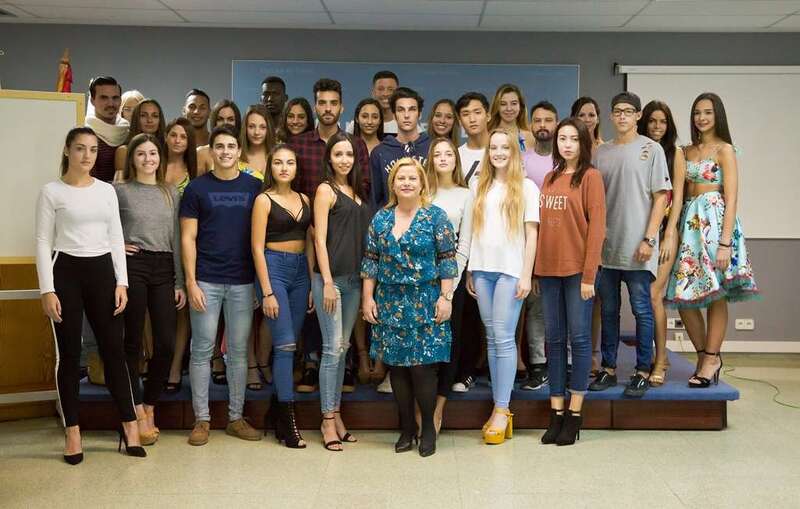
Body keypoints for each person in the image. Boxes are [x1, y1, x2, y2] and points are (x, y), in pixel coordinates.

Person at [36, 127, 144, 464]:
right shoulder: (51, 192)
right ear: (67, 150)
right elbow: (42, 242)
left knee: (114, 352)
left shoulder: (106, 191)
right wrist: (47, 289)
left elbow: (115, 236)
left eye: (93, 150)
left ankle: (129, 427)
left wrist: (121, 282)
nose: (87, 156)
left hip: (103, 274)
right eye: (80, 149)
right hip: (65, 272)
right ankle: (73, 431)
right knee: (70, 355)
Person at [361, 157, 458, 457]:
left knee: (422, 370)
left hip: (426, 301)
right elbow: (371, 261)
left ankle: (427, 428)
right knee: (398, 371)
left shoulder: (435, 217)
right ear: (393, 184)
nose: (406, 182)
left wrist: (446, 297)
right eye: (400, 178)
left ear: (421, 183)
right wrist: (368, 298)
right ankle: (406, 429)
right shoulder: (381, 218)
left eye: (412, 178)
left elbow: (447, 260)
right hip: (390, 302)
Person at [666, 92, 760, 387]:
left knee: (716, 294)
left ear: (717, 115)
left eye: (707, 112)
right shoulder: (684, 151)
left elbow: (731, 198)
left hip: (716, 223)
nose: (701, 118)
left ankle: (711, 359)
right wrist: (671, 231)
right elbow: (678, 197)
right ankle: (705, 355)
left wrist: (725, 243)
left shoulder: (725, 150)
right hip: (689, 225)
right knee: (685, 298)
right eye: (697, 112)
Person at [180, 125, 263, 446]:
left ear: (239, 151)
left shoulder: (254, 186)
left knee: (239, 353)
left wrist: (258, 283)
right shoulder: (196, 189)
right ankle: (201, 419)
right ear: (211, 151)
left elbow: (261, 237)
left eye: (231, 146)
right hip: (206, 280)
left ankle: (235, 417)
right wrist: (190, 282)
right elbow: (188, 237)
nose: (226, 151)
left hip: (243, 282)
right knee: (201, 350)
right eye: (220, 146)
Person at [287, 78, 371, 392]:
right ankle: (311, 366)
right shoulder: (300, 144)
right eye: (322, 103)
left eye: (333, 103)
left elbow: (361, 192)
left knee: (340, 339)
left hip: (347, 240)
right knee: (315, 304)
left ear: (341, 106)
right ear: (315, 106)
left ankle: (339, 376)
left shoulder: (353, 144)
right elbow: (292, 192)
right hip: (311, 237)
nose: (327, 108)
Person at [589, 92, 671, 398]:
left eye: (628, 111)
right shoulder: (601, 153)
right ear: (611, 116)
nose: (622, 116)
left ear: (638, 116)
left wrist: (650, 239)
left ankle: (641, 370)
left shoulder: (652, 150)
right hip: (607, 248)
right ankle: (609, 369)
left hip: (639, 247)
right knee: (609, 310)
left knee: (641, 310)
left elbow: (661, 196)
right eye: (617, 111)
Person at [463, 128, 539, 445]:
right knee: (492, 337)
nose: (498, 152)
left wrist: (525, 274)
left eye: (504, 147)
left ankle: (501, 409)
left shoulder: (527, 187)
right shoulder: (477, 186)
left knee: (504, 338)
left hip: (510, 272)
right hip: (482, 271)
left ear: (514, 151)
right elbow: (467, 232)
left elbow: (532, 235)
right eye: (493, 147)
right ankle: (500, 408)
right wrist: (468, 269)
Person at [535, 118, 606, 446]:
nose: (566, 144)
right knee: (554, 341)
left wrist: (589, 275)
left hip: (578, 273)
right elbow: (542, 229)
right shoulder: (549, 178)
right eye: (562, 138)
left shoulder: (590, 177)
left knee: (578, 341)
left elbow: (597, 230)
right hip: (548, 272)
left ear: (583, 144)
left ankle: (575, 415)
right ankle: (556, 413)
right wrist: (536, 270)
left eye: (573, 139)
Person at [115, 133, 186, 445]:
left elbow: (176, 239)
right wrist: (117, 245)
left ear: (160, 158)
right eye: (141, 154)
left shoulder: (170, 191)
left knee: (166, 344)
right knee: (132, 343)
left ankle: (150, 404)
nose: (147, 159)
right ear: (132, 158)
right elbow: (102, 227)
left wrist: (181, 281)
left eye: (153, 154)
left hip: (165, 267)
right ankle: (136, 412)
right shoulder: (119, 191)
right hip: (134, 266)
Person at [251, 144, 314, 448]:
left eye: (290, 162)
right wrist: (266, 291)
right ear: (271, 167)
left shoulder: (305, 199)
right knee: (285, 344)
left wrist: (314, 281)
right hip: (273, 267)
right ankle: (289, 423)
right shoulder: (263, 200)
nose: (284, 167)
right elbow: (256, 247)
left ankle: (274, 415)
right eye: (278, 162)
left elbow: (310, 241)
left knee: (292, 343)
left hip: (301, 271)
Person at [312, 132, 371, 451]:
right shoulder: (325, 190)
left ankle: (336, 416)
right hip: (330, 281)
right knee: (332, 348)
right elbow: (319, 239)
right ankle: (326, 419)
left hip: (353, 280)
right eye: (338, 154)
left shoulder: (357, 191)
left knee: (343, 347)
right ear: (329, 158)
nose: (344, 160)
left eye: (349, 154)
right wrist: (328, 282)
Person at [637, 100, 686, 386]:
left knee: (655, 295)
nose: (657, 126)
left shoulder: (674, 153)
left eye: (662, 122)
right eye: (653, 121)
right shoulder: (640, 149)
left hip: (666, 231)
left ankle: (660, 361)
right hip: (641, 230)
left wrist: (668, 235)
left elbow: (676, 197)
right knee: (643, 296)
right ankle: (659, 357)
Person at [424, 137, 471, 434]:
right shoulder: (422, 192)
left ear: (456, 159)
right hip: (420, 280)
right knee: (423, 347)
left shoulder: (467, 194)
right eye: (437, 154)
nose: (443, 158)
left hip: (451, 279)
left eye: (448, 154)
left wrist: (449, 287)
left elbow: (464, 244)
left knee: (449, 344)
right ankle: (422, 407)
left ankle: (438, 409)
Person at [519, 100, 558, 391]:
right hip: (528, 243)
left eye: (549, 120)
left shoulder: (565, 159)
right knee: (532, 306)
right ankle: (536, 364)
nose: (543, 125)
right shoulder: (523, 160)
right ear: (531, 126)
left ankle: (557, 364)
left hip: (559, 245)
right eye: (538, 120)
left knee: (554, 308)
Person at [163, 118, 196, 393]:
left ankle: (175, 367)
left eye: (183, 136)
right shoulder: (154, 164)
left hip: (183, 243)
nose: (177, 140)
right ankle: (153, 362)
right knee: (156, 311)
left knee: (183, 310)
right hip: (154, 244)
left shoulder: (193, 171)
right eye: (172, 135)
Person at [370, 87, 430, 209]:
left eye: (412, 109)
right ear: (394, 115)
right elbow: (374, 200)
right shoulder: (380, 152)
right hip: (391, 224)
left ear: (420, 114)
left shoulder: (433, 148)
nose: (406, 115)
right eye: (401, 110)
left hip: (428, 222)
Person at [85, 76, 127, 183]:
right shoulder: (85, 134)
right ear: (92, 100)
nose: (110, 104)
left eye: (115, 98)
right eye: (104, 98)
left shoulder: (128, 132)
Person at [114, 98, 166, 180]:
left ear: (160, 120)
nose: (149, 120)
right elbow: (121, 188)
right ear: (136, 119)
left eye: (155, 116)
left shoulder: (167, 149)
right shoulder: (124, 151)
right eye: (143, 115)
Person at [197, 100, 242, 175]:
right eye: (220, 119)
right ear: (214, 122)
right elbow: (195, 185)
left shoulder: (246, 152)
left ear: (237, 122)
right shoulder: (201, 153)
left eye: (230, 119)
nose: (225, 123)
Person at [456, 92, 490, 185]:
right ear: (459, 121)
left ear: (488, 116)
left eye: (477, 112)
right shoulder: (455, 156)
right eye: (466, 114)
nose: (472, 119)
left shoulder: (504, 150)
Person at [488, 84, 535, 151]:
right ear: (497, 107)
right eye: (503, 104)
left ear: (521, 106)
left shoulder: (530, 137)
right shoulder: (488, 136)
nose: (509, 108)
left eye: (514, 103)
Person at [239, 104, 275, 178]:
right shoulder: (237, 156)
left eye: (262, 127)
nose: (257, 132)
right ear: (245, 128)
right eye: (251, 126)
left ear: (269, 129)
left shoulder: (278, 155)